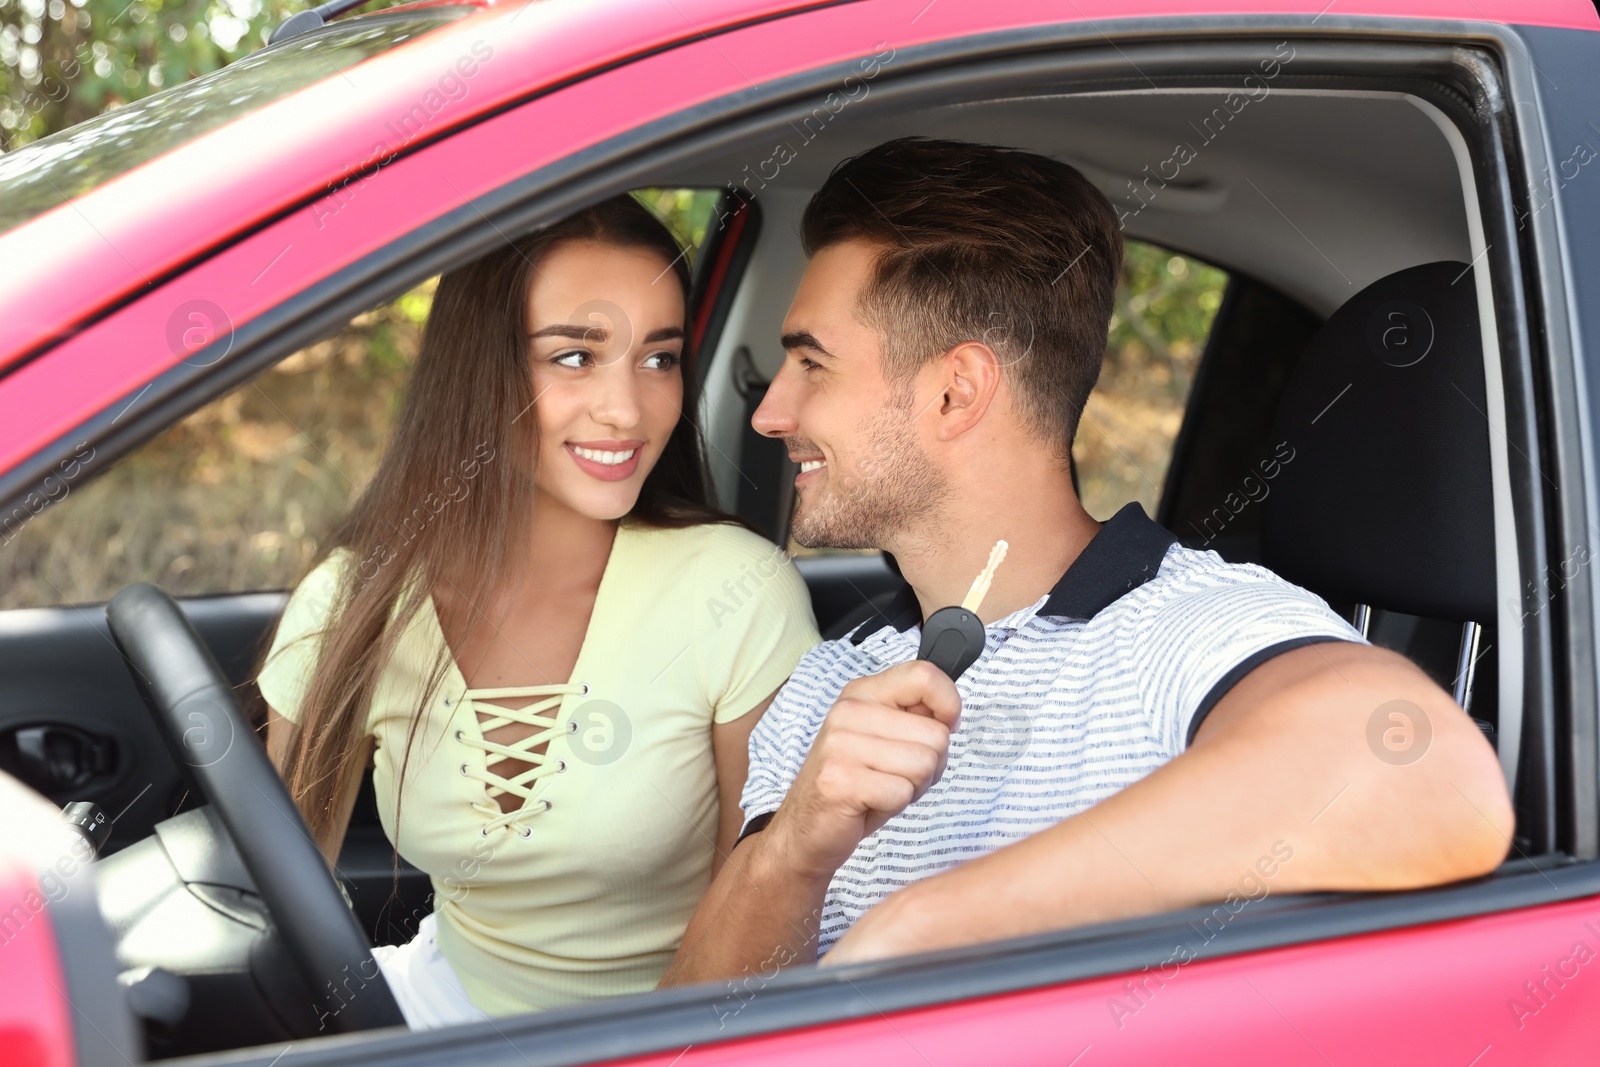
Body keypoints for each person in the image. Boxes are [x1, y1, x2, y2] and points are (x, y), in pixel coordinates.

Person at [661, 138, 1513, 983]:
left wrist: (924, 927)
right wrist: (794, 853)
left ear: (956, 391)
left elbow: (1428, 774)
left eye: (812, 362)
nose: (771, 411)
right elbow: (691, 1022)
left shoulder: (1188, 624)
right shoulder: (824, 682)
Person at [257, 195, 819, 1026]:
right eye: (575, 357)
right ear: (478, 369)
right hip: (436, 1010)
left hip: (678, 1035)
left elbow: (768, 919)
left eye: (659, 359)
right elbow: (284, 903)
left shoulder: (737, 592)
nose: (627, 410)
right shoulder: (352, 602)